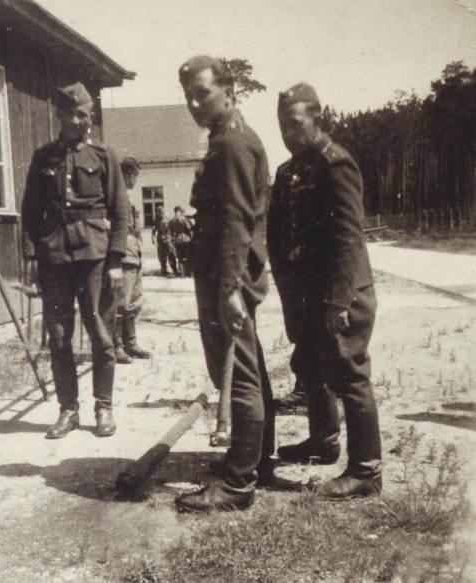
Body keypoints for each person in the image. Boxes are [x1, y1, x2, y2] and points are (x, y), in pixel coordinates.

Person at [266, 82, 382, 498]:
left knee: (349, 373)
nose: (287, 132)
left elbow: (349, 238)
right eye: (282, 125)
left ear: (317, 118)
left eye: (295, 123)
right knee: (309, 366)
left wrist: (337, 301)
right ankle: (324, 441)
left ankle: (366, 471)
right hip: (306, 295)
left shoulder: (336, 163)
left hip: (341, 294)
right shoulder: (287, 171)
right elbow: (277, 237)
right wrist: (289, 296)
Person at [174, 56, 274, 512]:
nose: (195, 103)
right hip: (223, 274)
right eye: (189, 96)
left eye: (203, 93)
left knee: (240, 378)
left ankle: (238, 485)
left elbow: (237, 219)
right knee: (249, 372)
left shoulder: (232, 143)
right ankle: (256, 461)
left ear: (228, 91)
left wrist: (231, 289)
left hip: (226, 277)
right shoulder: (226, 138)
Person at [21, 82, 128, 439]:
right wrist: (33, 254)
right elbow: (30, 210)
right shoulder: (44, 157)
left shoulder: (103, 155)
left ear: (90, 116)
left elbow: (120, 211)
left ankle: (103, 407)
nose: (78, 121)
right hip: (54, 256)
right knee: (59, 336)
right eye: (71, 114)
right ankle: (68, 409)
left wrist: (116, 260)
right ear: (59, 115)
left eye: (84, 114)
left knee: (101, 333)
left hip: (95, 256)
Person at [113, 157, 152, 364]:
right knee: (120, 302)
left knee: (134, 301)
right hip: (123, 256)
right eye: (135, 176)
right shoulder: (114, 196)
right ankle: (116, 345)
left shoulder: (126, 198)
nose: (135, 180)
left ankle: (130, 343)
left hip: (134, 255)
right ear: (128, 175)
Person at [151, 205, 178, 276]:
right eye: (159, 212)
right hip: (160, 239)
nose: (160, 214)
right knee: (162, 256)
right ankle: (164, 271)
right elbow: (153, 231)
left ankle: (175, 270)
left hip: (168, 238)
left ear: (164, 212)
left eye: (162, 212)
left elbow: (172, 229)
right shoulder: (155, 221)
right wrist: (153, 239)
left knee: (171, 254)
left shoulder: (168, 219)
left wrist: (173, 238)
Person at [168, 206, 193, 277]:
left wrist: (173, 240)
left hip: (177, 240)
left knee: (180, 257)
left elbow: (171, 232)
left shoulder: (171, 220)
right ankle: (188, 273)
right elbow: (189, 229)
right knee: (188, 256)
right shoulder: (184, 219)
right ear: (179, 211)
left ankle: (182, 273)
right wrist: (191, 238)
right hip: (186, 239)